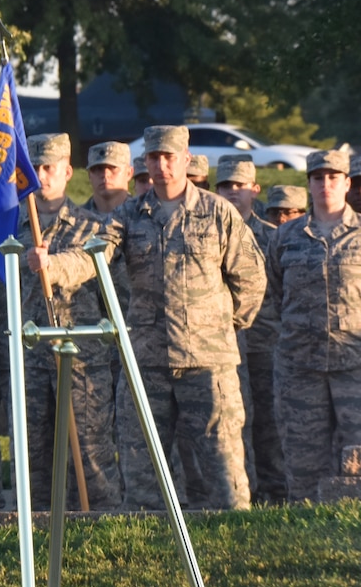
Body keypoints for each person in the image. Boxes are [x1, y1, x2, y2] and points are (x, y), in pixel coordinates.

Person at [30, 125, 264, 511]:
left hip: (208, 365)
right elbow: (93, 256)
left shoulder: (216, 212)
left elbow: (251, 279)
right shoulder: (129, 214)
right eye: (154, 158)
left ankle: (232, 545)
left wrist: (221, 326)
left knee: (222, 470)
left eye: (170, 157)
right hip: (148, 365)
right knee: (143, 473)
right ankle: (147, 551)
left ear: (186, 160)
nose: (162, 165)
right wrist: (51, 265)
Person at [14, 134, 122, 510]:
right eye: (34, 169)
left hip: (80, 360)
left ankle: (101, 532)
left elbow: (90, 261)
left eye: (49, 168)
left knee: (91, 455)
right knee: (33, 457)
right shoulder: (11, 227)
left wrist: (52, 264)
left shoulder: (92, 225)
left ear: (67, 172)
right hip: (28, 358)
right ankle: (39, 535)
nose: (42, 176)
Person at [266, 148, 361, 502]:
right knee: (304, 460)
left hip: (355, 365)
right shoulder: (286, 236)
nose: (325, 185)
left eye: (333, 178)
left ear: (346, 183)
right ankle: (304, 526)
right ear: (308, 184)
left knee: (357, 457)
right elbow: (276, 292)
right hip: (300, 366)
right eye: (318, 178)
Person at [214, 155, 286, 503]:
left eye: (240, 185)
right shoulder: (208, 231)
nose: (233, 192)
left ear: (254, 190)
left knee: (269, 423)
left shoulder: (273, 236)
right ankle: (247, 489)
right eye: (226, 185)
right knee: (233, 423)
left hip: (265, 342)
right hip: (225, 345)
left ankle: (275, 491)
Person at [86, 141, 134, 218]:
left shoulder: (145, 216)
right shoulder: (73, 220)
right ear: (89, 175)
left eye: (113, 168)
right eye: (98, 169)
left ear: (129, 173)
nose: (105, 174)